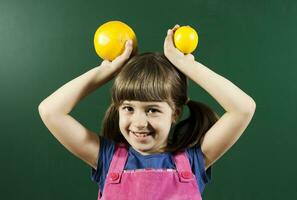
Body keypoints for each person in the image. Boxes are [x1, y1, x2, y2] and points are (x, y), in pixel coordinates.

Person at [38, 24, 256, 200]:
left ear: (175, 113)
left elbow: (243, 108)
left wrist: (187, 65)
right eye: (128, 108)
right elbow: (50, 111)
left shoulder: (193, 161)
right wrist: (106, 70)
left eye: (152, 110)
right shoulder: (106, 158)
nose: (139, 122)